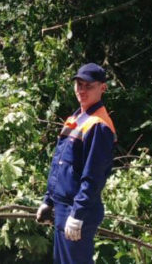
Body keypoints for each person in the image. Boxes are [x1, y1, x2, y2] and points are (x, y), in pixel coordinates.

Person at [36, 63, 116, 264]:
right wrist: (49, 200)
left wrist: (77, 214)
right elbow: (60, 164)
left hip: (77, 210)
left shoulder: (98, 125)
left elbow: (94, 176)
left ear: (102, 88)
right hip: (63, 207)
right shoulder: (75, 118)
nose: (82, 90)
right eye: (79, 85)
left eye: (88, 86)